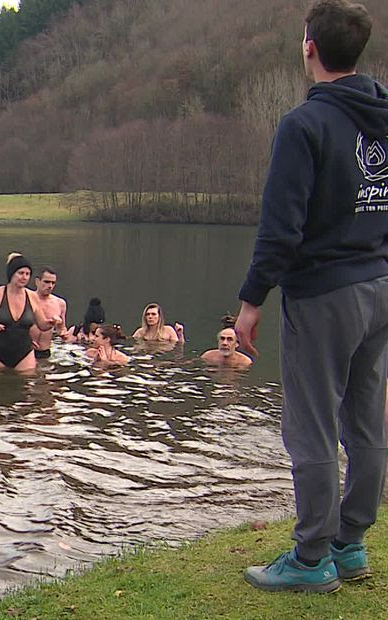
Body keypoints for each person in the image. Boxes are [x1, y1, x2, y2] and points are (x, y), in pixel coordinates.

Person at [236, 0, 388, 593]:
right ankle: (352, 544)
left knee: (312, 426)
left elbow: (281, 227)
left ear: (309, 47)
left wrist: (252, 301)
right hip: (379, 285)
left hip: (325, 293)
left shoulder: (304, 125)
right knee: (365, 418)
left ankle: (310, 558)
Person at [0, 253, 57, 372]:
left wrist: (52, 322)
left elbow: (42, 325)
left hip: (24, 352)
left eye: (27, 274)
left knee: (25, 386)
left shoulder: (32, 297)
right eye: (20, 273)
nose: (24, 277)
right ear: (11, 274)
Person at [30, 266, 67, 358]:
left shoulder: (60, 303)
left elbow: (61, 328)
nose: (50, 286)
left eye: (53, 283)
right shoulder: (27, 299)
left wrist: (63, 333)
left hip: (45, 350)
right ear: (37, 281)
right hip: (26, 349)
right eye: (46, 282)